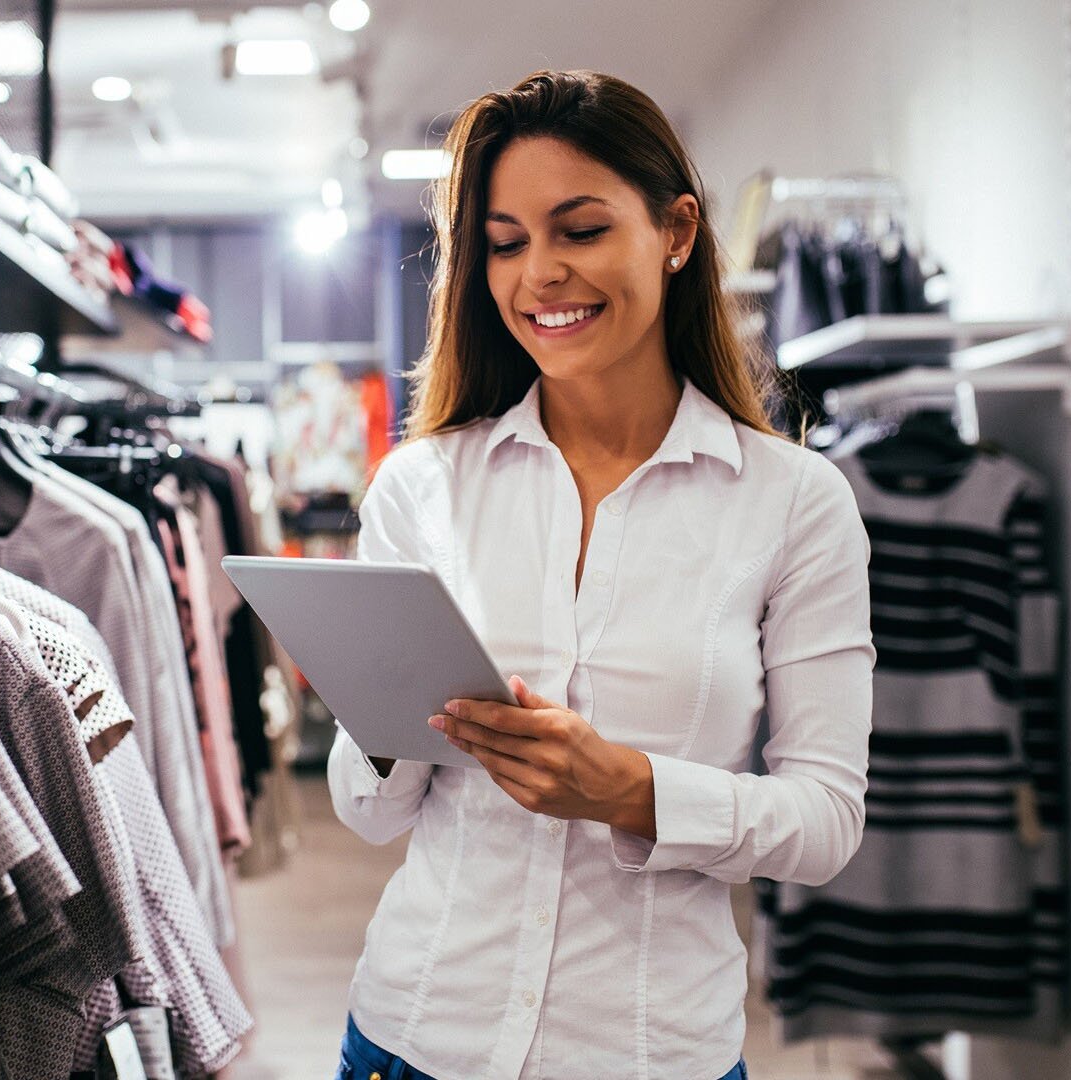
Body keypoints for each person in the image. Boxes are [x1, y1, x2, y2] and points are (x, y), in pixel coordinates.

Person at [328, 70, 874, 1080]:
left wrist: (634, 791)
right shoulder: (424, 486)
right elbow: (369, 815)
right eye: (504, 244)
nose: (539, 275)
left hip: (648, 1049)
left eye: (579, 230)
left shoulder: (793, 502)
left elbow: (827, 821)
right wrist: (390, 718)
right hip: (412, 1035)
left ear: (674, 232)